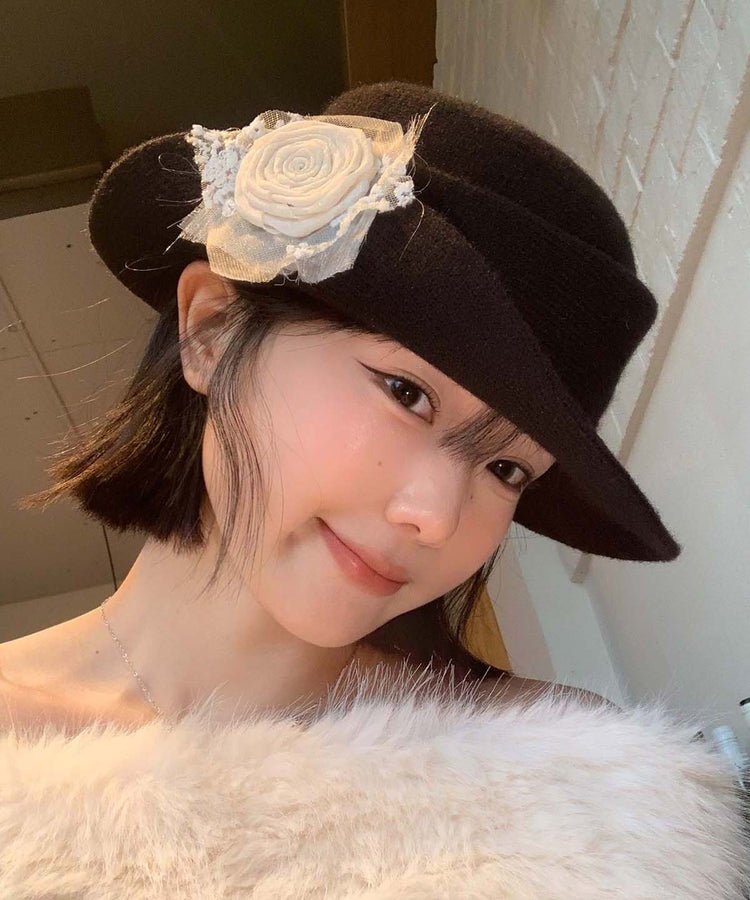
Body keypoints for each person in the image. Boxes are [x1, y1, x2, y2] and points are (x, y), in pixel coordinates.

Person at [0, 81, 746, 898]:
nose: (435, 517)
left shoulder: (570, 779)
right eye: (406, 393)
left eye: (507, 471)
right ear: (211, 329)